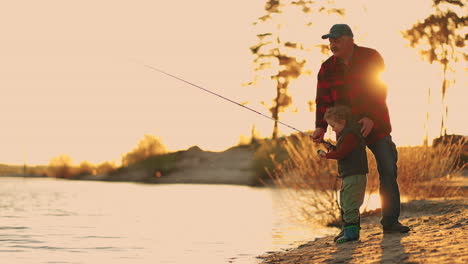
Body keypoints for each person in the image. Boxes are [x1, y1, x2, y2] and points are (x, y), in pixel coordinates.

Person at [312, 24, 410, 234]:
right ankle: (350, 228)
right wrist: (320, 126)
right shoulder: (327, 68)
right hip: (347, 133)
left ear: (349, 39)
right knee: (350, 177)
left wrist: (371, 117)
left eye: (336, 40)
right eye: (330, 41)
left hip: (377, 126)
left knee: (388, 169)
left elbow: (379, 88)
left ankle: (390, 223)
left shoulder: (371, 57)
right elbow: (323, 100)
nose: (332, 44)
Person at [318, 106, 368, 243]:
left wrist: (326, 155)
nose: (332, 129)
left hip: (355, 175)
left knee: (350, 204)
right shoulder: (346, 135)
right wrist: (329, 147)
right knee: (345, 203)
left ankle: (351, 234)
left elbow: (341, 153)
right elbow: (341, 150)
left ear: (342, 121)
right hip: (349, 175)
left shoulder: (350, 135)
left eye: (333, 125)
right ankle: (349, 231)